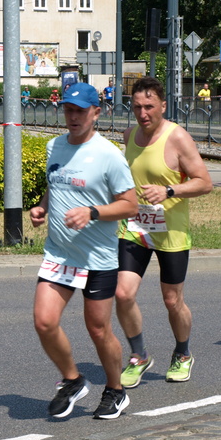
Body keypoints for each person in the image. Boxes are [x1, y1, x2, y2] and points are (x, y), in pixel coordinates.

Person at [30, 83, 138, 420]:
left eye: (80, 110)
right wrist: (43, 207)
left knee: (98, 329)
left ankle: (116, 390)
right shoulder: (54, 146)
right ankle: (73, 380)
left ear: (96, 112)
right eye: (68, 110)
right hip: (60, 254)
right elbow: (56, 183)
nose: (73, 116)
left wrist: (92, 212)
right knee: (44, 322)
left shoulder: (109, 155)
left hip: (97, 258)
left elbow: (130, 205)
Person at [115, 77, 212, 388]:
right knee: (123, 293)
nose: (143, 113)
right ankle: (139, 355)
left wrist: (169, 190)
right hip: (135, 229)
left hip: (171, 231)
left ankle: (183, 353)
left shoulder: (177, 137)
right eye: (137, 107)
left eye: (149, 106)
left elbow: (204, 182)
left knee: (172, 300)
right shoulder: (129, 135)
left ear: (163, 106)